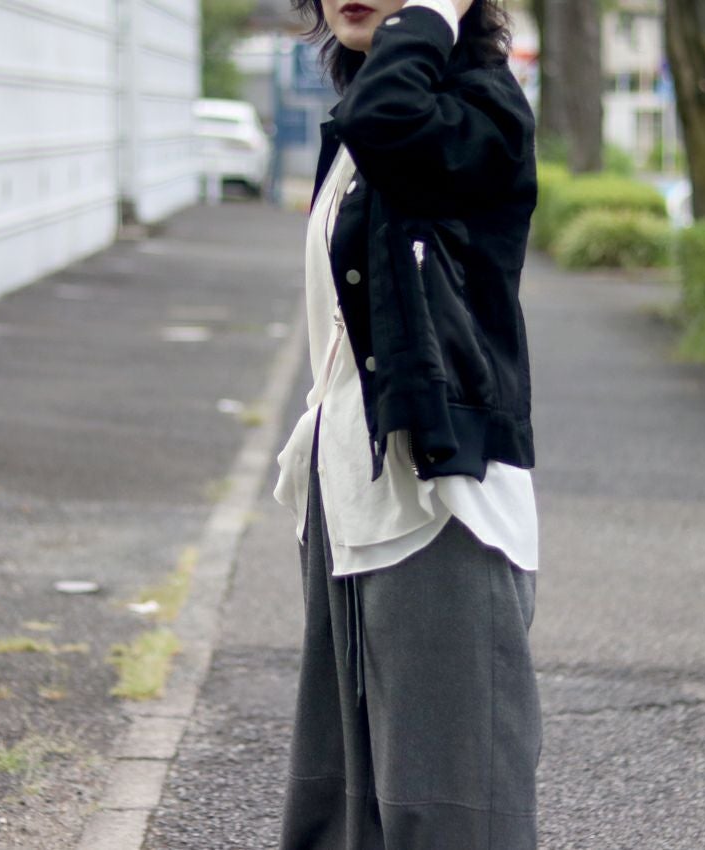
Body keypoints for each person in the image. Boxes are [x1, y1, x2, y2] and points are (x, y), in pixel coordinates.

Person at [273, 1, 542, 848]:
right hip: (349, 496)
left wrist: (429, 15)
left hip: (438, 503)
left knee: (450, 815)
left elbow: (393, 114)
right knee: (341, 808)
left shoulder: (478, 107)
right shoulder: (361, 120)